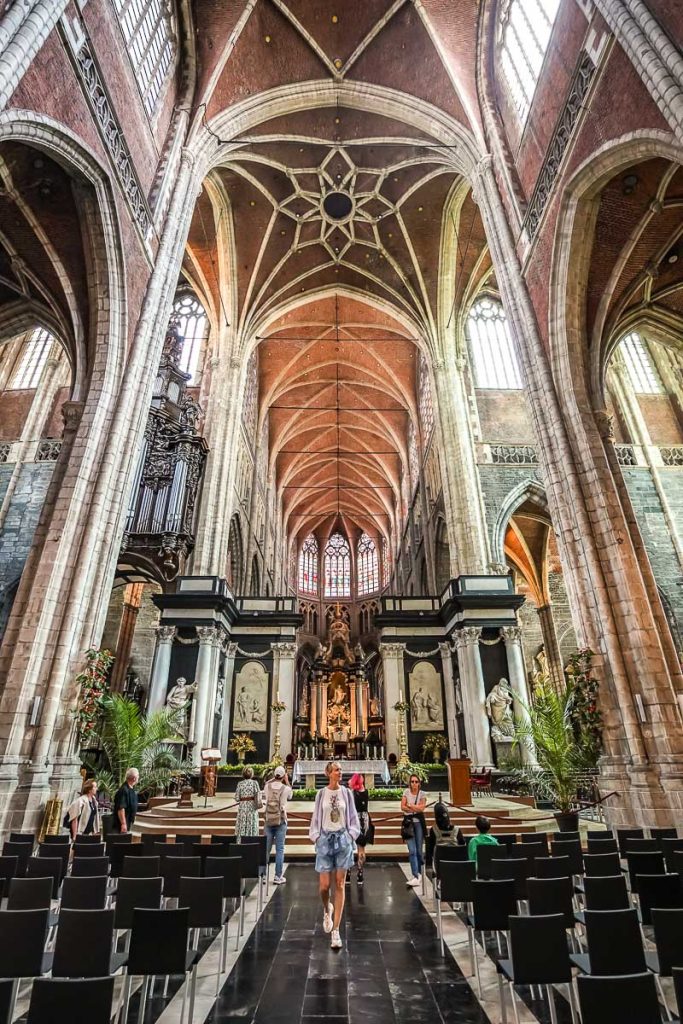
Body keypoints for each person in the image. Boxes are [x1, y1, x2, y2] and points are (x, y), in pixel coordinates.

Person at [309, 761, 360, 949]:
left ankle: (336, 930)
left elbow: (353, 817)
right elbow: (316, 817)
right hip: (324, 841)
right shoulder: (321, 794)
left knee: (339, 883)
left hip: (343, 841)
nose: (340, 772)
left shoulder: (346, 793)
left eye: (340, 769)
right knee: (324, 886)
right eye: (337, 769)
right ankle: (326, 908)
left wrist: (351, 835)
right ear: (328, 773)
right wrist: (315, 837)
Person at [263, 765, 292, 885]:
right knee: (280, 849)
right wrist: (287, 781)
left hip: (268, 819)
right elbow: (291, 795)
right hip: (280, 820)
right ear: (284, 775)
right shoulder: (286, 788)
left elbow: (266, 784)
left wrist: (272, 779)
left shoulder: (267, 786)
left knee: (266, 849)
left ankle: (263, 875)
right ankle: (278, 876)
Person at [401, 773, 427, 887]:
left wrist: (410, 806)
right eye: (412, 781)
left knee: (419, 851)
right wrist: (414, 808)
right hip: (408, 825)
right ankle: (415, 875)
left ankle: (420, 873)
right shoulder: (406, 792)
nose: (414, 784)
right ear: (410, 783)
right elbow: (402, 807)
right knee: (412, 850)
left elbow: (422, 808)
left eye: (416, 782)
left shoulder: (422, 794)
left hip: (419, 824)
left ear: (419, 783)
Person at [348, 773, 373, 885]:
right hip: (364, 820)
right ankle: (360, 872)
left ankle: (348, 872)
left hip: (353, 819)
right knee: (361, 849)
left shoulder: (351, 793)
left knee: (348, 847)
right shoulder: (366, 792)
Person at [234, 766, 262, 839]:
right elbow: (259, 795)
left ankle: (240, 841)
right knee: (252, 823)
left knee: (242, 824)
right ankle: (252, 840)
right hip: (252, 807)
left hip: (243, 807)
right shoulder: (255, 783)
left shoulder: (240, 784)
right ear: (252, 774)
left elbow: (236, 798)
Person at [112, 768, 139, 834]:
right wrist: (123, 824)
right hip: (122, 824)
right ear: (134, 778)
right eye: (138, 776)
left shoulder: (131, 788)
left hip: (129, 821)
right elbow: (121, 808)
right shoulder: (124, 790)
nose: (139, 777)